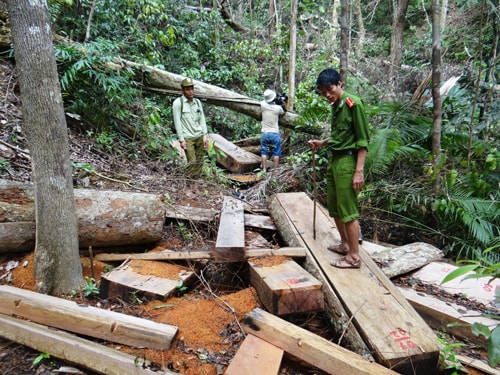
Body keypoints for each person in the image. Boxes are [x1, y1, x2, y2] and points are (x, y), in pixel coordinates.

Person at [308, 68, 370, 269]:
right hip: (335, 160)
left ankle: (353, 257)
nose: (327, 94)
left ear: (339, 84)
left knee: (348, 210)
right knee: (334, 206)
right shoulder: (336, 105)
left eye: (330, 89)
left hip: (348, 162)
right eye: (323, 91)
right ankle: (345, 245)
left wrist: (358, 171)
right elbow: (341, 136)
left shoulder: (354, 104)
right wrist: (322, 142)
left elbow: (362, 141)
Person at [172, 78, 208, 178]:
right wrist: (181, 139)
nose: (190, 91)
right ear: (182, 90)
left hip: (199, 135)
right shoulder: (178, 103)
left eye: (192, 88)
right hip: (188, 137)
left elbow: (202, 119)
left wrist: (205, 135)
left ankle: (195, 183)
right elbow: (177, 122)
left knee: (200, 162)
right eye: (187, 89)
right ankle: (188, 183)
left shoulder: (197, 102)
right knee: (192, 162)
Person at [260, 89, 286, 172]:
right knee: (276, 152)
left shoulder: (262, 105)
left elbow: (265, 102)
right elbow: (284, 112)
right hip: (274, 133)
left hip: (265, 133)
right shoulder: (278, 108)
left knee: (264, 152)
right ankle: (274, 170)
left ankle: (264, 169)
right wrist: (282, 102)